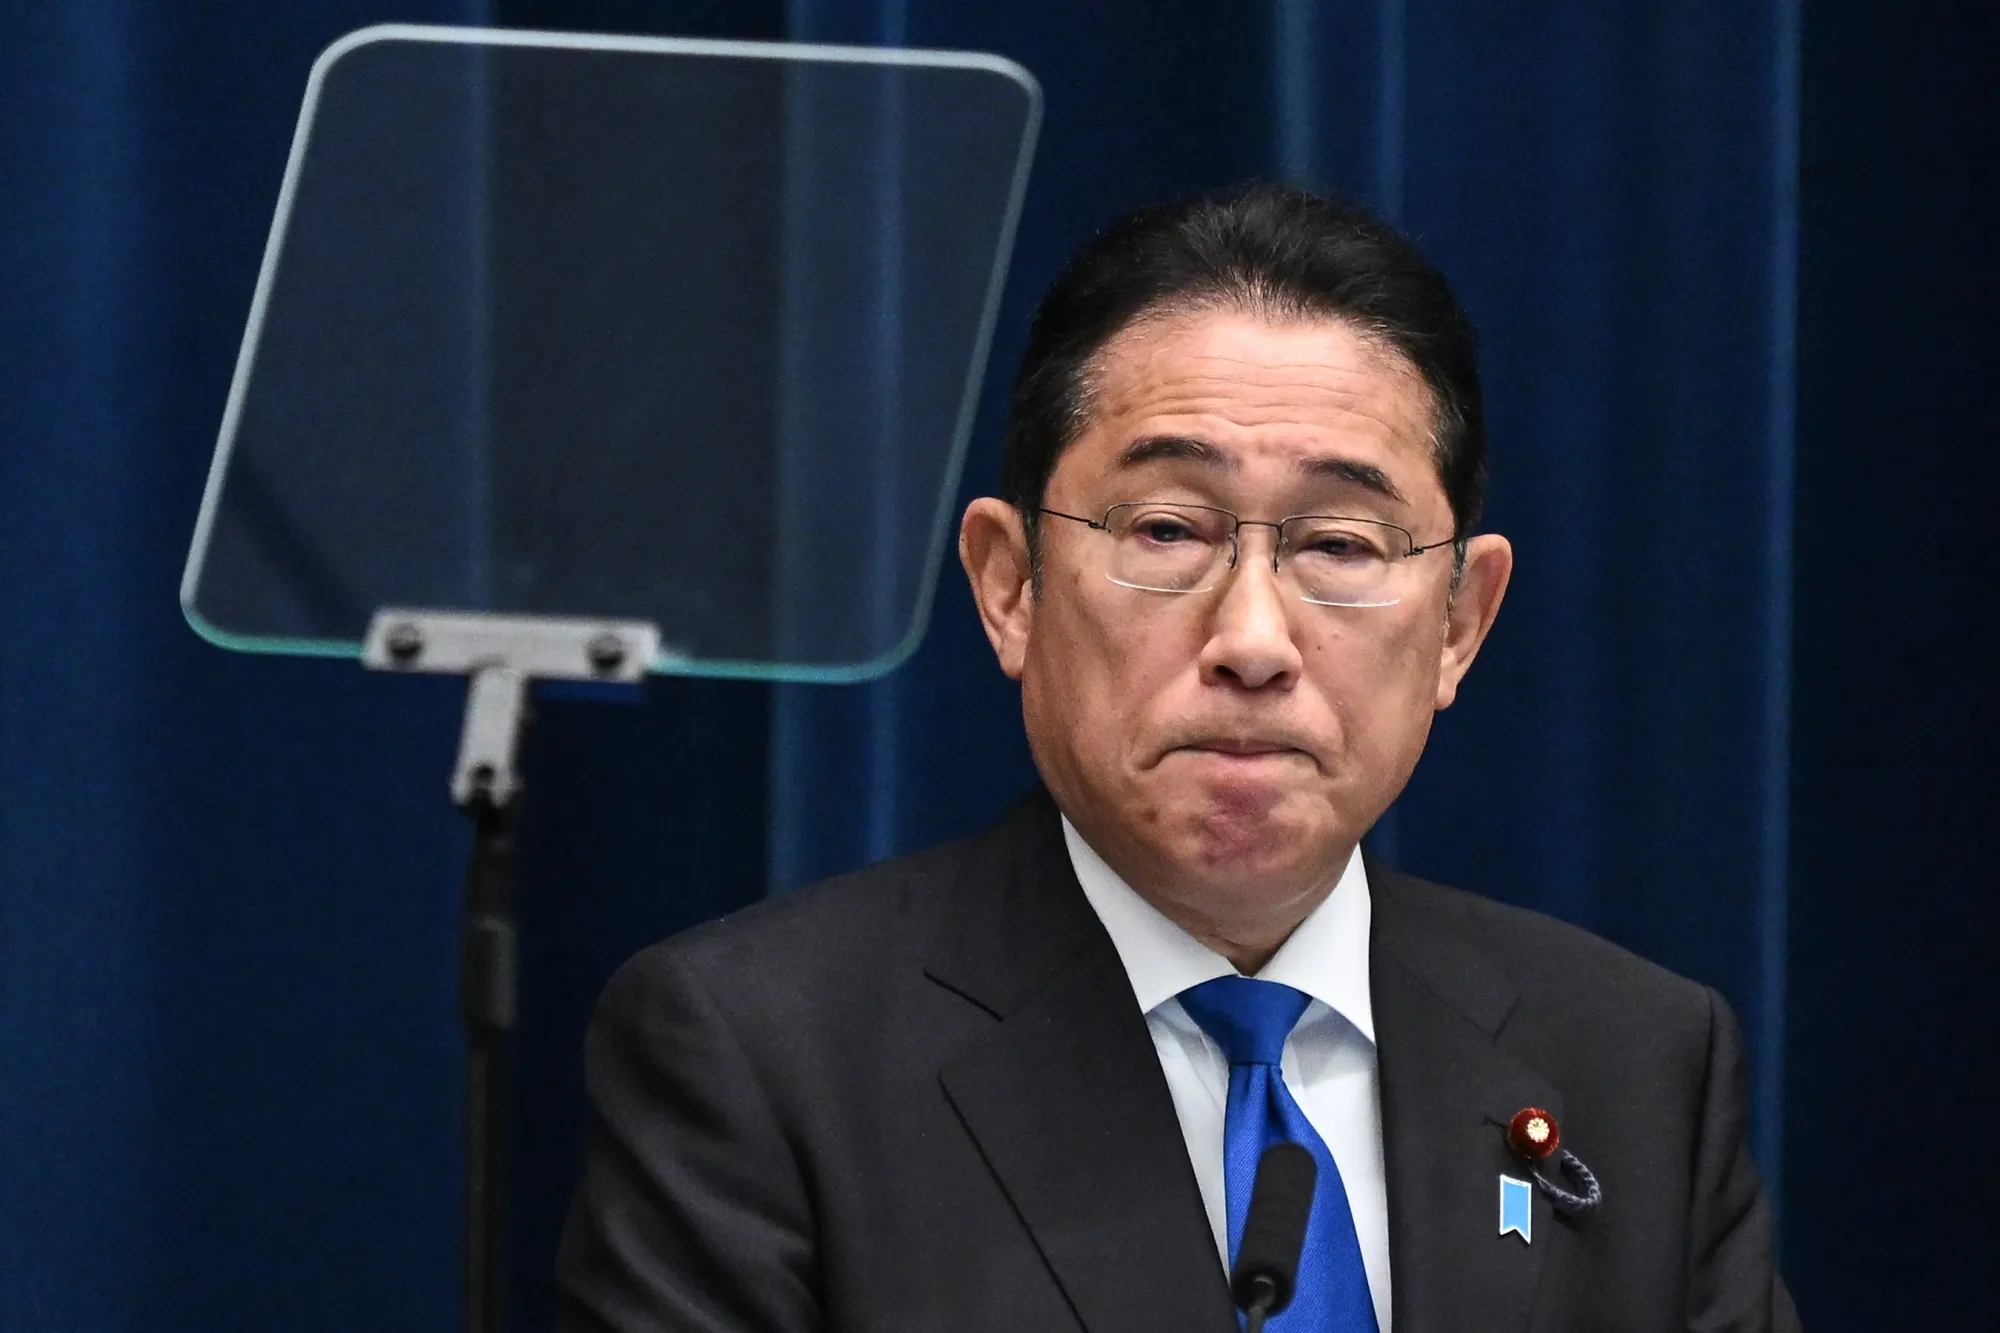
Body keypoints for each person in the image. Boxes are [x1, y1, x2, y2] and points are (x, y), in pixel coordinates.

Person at [556, 183, 1799, 1332]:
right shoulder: (763, 1058)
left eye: (1340, 544)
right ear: (1009, 586)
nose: (1251, 639)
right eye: (1164, 527)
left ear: (1458, 625)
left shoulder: (1633, 1060)